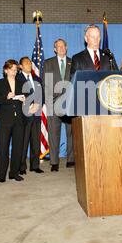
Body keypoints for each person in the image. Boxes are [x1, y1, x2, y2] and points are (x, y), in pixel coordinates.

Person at [0, 59, 27, 185]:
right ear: (6, 70)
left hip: (19, 120)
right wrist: (7, 97)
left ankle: (14, 173)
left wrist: (24, 99)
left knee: (17, 147)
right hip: (4, 120)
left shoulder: (22, 82)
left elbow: (27, 98)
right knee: (3, 148)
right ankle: (0, 175)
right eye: (11, 69)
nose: (14, 72)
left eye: (16, 70)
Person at [43, 39, 75, 172]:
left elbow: (75, 81)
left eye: (63, 46)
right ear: (54, 49)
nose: (61, 48)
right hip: (53, 102)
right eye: (58, 46)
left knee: (71, 132)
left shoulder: (73, 62)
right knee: (53, 133)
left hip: (70, 102)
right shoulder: (48, 63)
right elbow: (46, 83)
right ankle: (54, 162)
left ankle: (71, 159)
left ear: (66, 48)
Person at [17, 57, 44, 174]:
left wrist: (38, 105)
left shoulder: (37, 78)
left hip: (37, 114)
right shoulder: (17, 79)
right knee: (23, 141)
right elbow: (17, 96)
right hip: (24, 115)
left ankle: (35, 165)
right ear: (20, 66)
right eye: (26, 63)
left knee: (35, 141)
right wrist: (28, 107)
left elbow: (41, 95)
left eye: (30, 62)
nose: (29, 64)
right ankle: (21, 167)